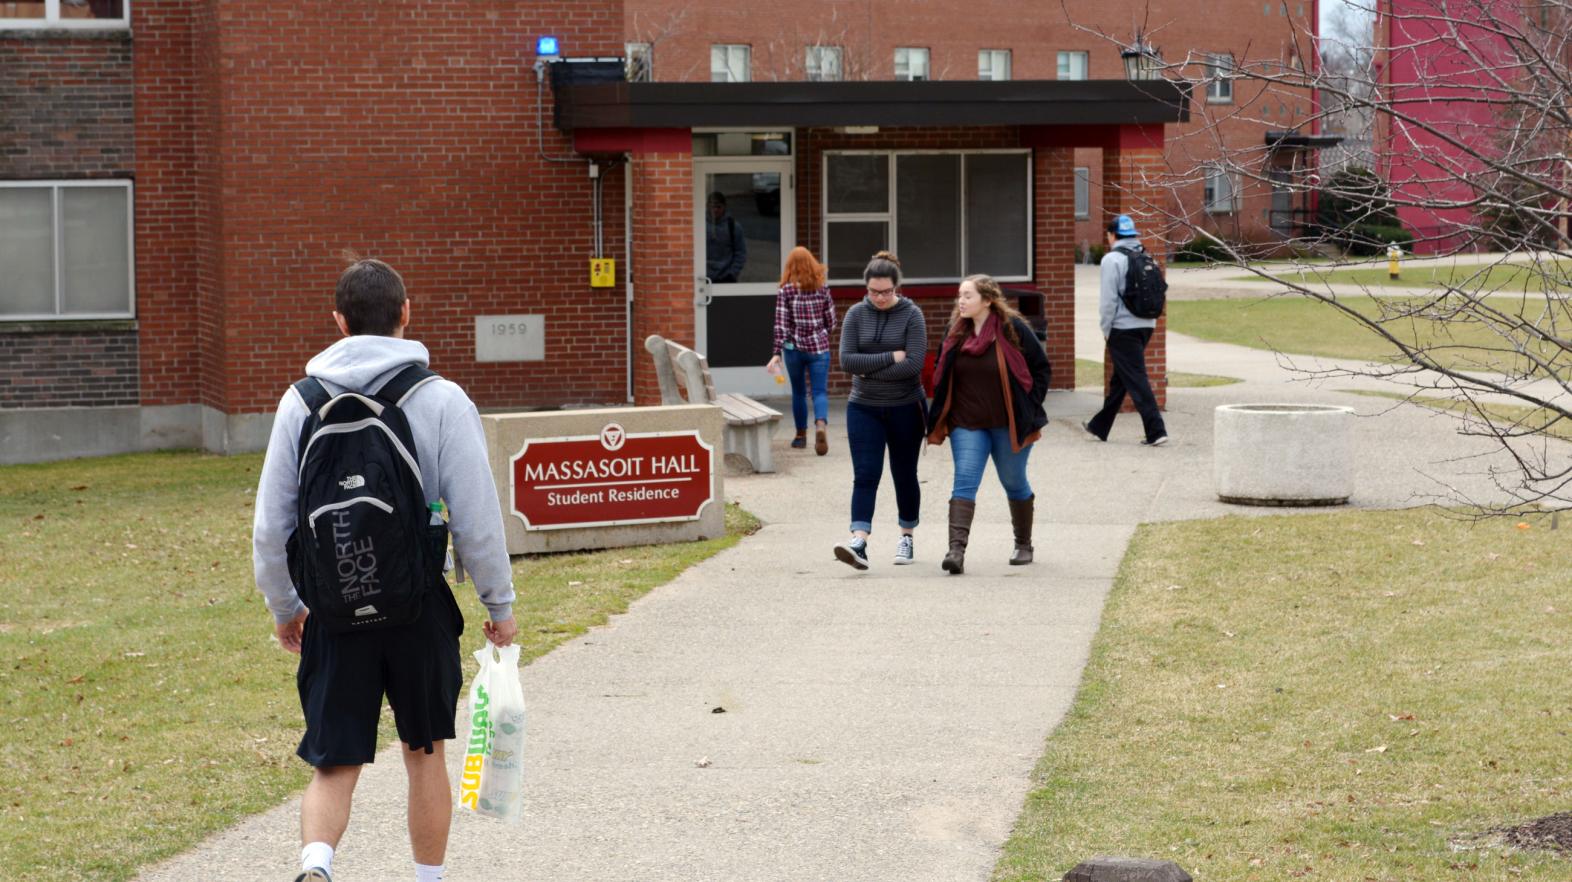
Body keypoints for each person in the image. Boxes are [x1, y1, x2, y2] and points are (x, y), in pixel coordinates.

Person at [252, 257, 518, 882]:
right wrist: (497, 606)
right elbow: (478, 518)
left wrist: (287, 607)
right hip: (417, 605)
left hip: (333, 609)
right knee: (425, 753)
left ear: (338, 321)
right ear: (406, 314)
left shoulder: (301, 401)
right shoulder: (440, 398)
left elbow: (272, 525)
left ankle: (316, 865)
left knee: (333, 762)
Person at [925, 275, 1051, 574]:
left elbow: (1041, 369)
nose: (961, 301)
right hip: (967, 424)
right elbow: (941, 374)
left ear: (988, 299)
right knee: (965, 481)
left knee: (1013, 481)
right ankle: (956, 551)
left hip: (1007, 424)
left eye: (968, 295)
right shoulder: (956, 331)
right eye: (960, 295)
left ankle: (1023, 543)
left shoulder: (1013, 328)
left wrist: (1029, 406)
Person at [833, 250, 929, 569]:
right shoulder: (855, 315)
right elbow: (847, 361)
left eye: (886, 291)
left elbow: (914, 364)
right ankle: (859, 541)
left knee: (904, 473)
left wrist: (867, 368)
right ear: (867, 288)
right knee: (865, 474)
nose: (880, 297)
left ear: (896, 287)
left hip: (905, 407)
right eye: (874, 292)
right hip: (864, 407)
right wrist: (890, 357)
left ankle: (906, 536)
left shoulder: (912, 315)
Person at [1082, 214, 1169, 446]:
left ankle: (1156, 430)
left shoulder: (1112, 259)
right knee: (1121, 378)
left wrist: (1106, 328)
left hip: (1122, 328)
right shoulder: (1145, 254)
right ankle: (1098, 427)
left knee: (1136, 378)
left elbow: (1108, 300)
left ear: (1112, 235)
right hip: (1146, 325)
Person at [766, 246, 837, 455]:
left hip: (794, 349)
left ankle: (800, 436)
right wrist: (820, 333)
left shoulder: (786, 291)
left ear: (790, 267)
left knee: (798, 392)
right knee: (819, 391)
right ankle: (821, 424)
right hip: (819, 348)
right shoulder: (822, 289)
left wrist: (777, 351)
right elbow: (831, 321)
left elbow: (781, 324)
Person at [705, 191, 747, 284]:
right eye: (712, 206)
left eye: (718, 207)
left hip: (726, 279)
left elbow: (741, 253)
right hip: (703, 279)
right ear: (707, 206)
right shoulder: (699, 226)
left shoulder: (733, 227)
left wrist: (732, 274)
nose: (715, 210)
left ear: (724, 207)